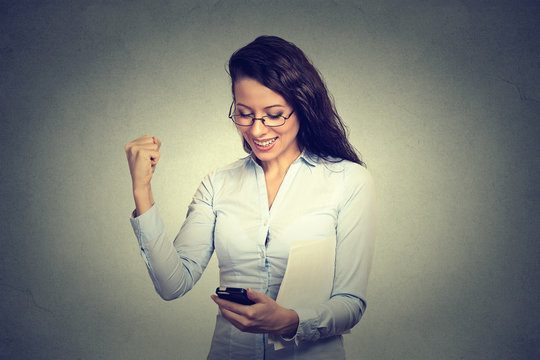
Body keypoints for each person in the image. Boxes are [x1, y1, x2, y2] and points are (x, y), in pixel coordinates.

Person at [125, 35, 376, 359]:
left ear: (302, 107)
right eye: (244, 113)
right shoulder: (218, 184)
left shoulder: (349, 181)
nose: (257, 130)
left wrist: (290, 321)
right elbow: (173, 283)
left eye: (273, 114)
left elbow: (350, 303)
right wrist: (141, 189)